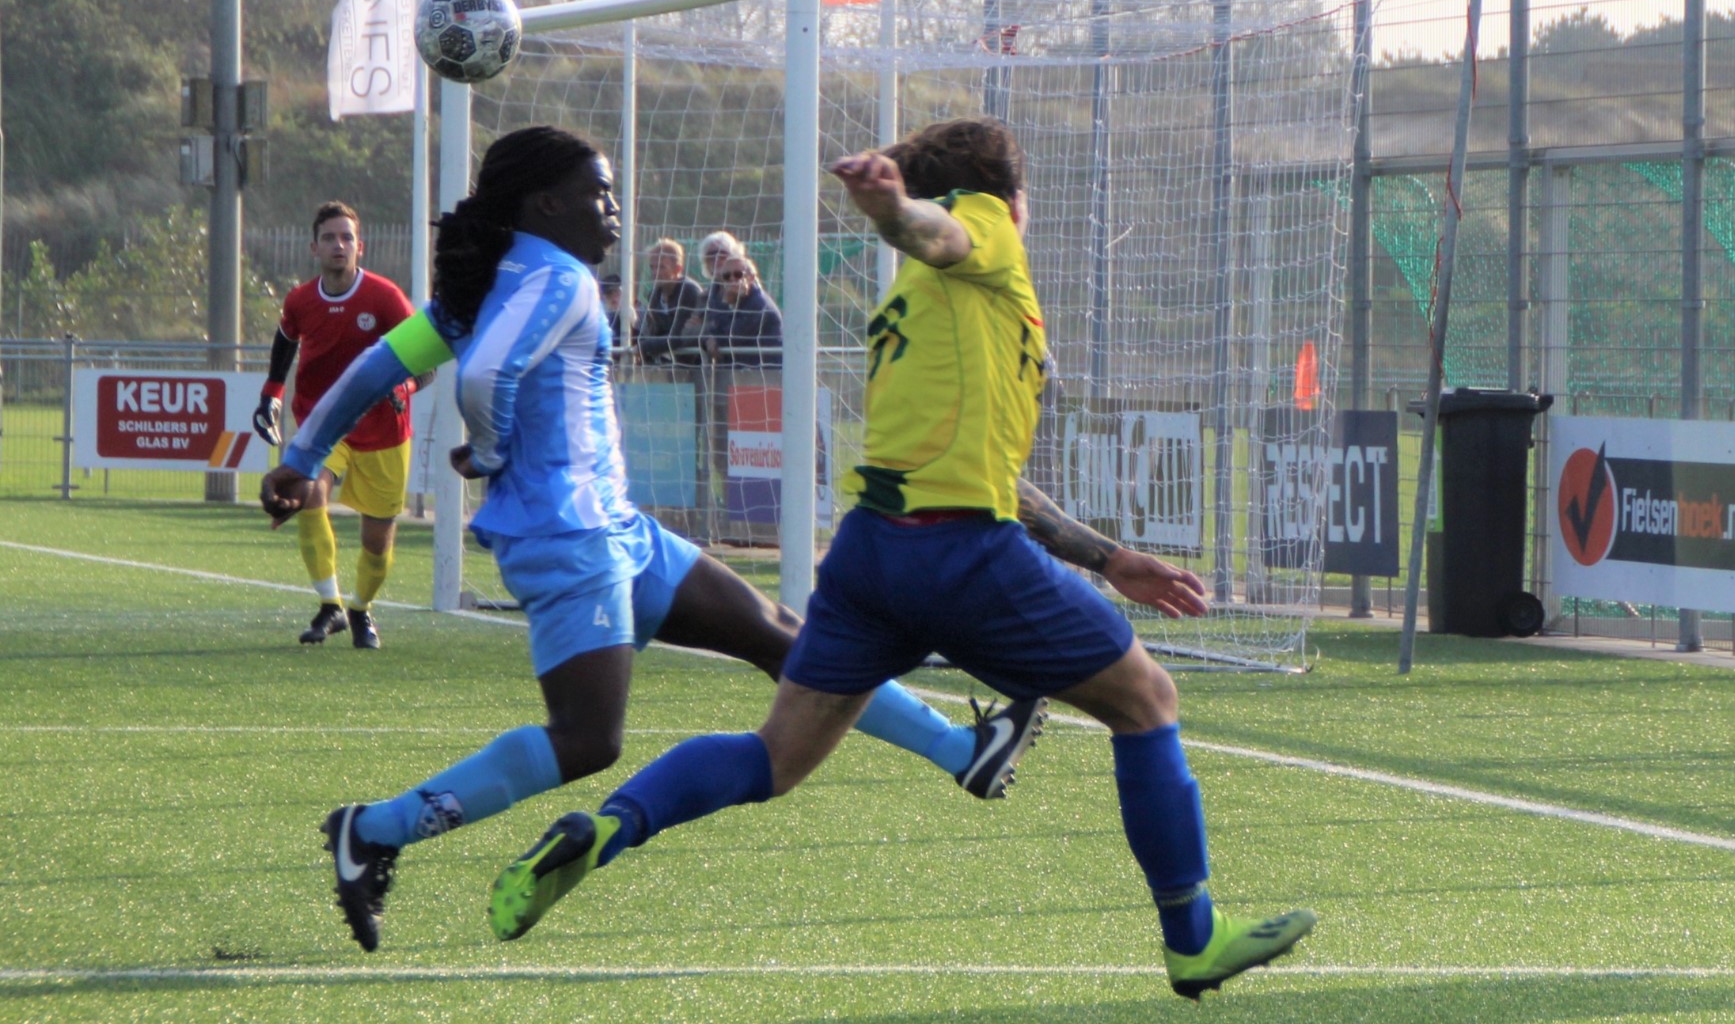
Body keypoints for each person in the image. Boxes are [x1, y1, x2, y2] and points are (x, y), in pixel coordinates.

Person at [484, 118, 1315, 1001]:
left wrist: (1105, 557)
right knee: (1148, 702)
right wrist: (893, 208)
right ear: (1010, 197)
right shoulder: (980, 228)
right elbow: (938, 227)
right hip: (959, 554)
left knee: (778, 757)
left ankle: (609, 829)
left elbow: (984, 463)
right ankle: (1193, 937)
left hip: (869, 557)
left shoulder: (923, 300)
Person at [259, 126, 1060, 954]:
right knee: (587, 739)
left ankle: (963, 750)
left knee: (784, 637)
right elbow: (483, 377)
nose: (613, 208)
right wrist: (491, 450)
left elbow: (378, 365)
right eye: (598, 192)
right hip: (569, 537)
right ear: (546, 204)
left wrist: (303, 456)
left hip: (614, 531)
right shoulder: (559, 277)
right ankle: (376, 830)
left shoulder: (488, 284)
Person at [253, 201, 421, 650]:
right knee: (308, 493)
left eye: (346, 237)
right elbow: (286, 340)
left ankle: (361, 609)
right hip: (323, 424)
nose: (338, 245)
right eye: (329, 237)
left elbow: (424, 363)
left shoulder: (386, 298)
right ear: (314, 248)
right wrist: (271, 393)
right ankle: (330, 605)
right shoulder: (301, 300)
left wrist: (402, 388)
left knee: (378, 539)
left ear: (360, 247)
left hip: (383, 429)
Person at [700, 253, 783, 368]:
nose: (732, 279)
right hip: (744, 374)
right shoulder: (731, 303)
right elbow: (706, 328)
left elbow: (732, 336)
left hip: (769, 374)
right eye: (727, 276)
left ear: (751, 278)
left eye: (738, 275)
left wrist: (713, 338)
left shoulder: (759, 303)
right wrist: (708, 339)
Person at [637, 238, 705, 365]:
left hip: (698, 363)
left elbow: (678, 338)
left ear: (678, 269)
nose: (655, 273)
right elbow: (657, 333)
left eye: (661, 267)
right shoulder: (654, 295)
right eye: (652, 267)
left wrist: (641, 347)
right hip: (673, 362)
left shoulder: (689, 291)